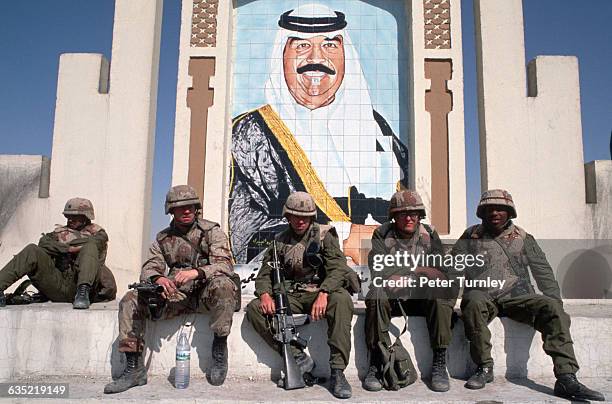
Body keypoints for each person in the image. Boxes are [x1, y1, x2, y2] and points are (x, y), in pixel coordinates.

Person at [229, 3, 410, 263]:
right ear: (282, 53)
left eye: (330, 45)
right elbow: (244, 237)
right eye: (301, 45)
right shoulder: (251, 133)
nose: (316, 58)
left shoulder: (377, 130)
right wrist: (344, 237)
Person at [453, 189, 605, 401]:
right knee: (473, 301)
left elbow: (543, 272)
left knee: (551, 308)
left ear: (509, 212)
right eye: (489, 209)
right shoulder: (471, 236)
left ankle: (566, 377)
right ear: (482, 212)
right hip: (483, 295)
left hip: (518, 297)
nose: (495, 213)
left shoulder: (523, 238)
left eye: (500, 209)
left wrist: (556, 303)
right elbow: (451, 269)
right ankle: (484, 367)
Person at [104, 185, 237, 394]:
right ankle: (134, 369)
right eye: (180, 207)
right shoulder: (162, 238)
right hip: (177, 294)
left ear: (196, 208)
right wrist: (159, 279)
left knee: (224, 285)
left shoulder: (212, 232)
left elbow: (225, 265)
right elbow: (149, 267)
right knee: (131, 298)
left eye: (190, 207)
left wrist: (197, 272)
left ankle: (219, 348)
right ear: (171, 211)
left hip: (206, 293)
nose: (186, 211)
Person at [246, 191, 354, 399]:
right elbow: (264, 275)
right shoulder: (279, 241)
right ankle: (298, 357)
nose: (300, 221)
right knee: (254, 309)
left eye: (305, 216)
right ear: (287, 216)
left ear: (312, 216)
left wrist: (324, 292)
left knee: (341, 300)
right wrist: (266, 295)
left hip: (319, 293)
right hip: (291, 297)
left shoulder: (324, 235)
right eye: (295, 216)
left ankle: (338, 372)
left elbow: (338, 269)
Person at [363, 190, 457, 392]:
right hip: (393, 295)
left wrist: (411, 273)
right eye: (402, 214)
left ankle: (439, 362)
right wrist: (422, 269)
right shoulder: (382, 234)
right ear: (394, 216)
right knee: (376, 293)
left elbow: (440, 271)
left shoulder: (429, 234)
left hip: (420, 295)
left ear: (419, 215)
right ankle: (377, 362)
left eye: (413, 213)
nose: (408, 218)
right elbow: (378, 267)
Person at [0, 197, 116, 309]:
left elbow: (92, 243)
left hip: (80, 287)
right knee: (32, 250)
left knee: (89, 247)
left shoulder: (98, 234)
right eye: (68, 217)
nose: (70, 220)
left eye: (74, 217)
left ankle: (82, 292)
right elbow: (44, 242)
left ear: (85, 217)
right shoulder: (59, 232)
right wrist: (68, 249)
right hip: (57, 283)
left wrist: (61, 245)